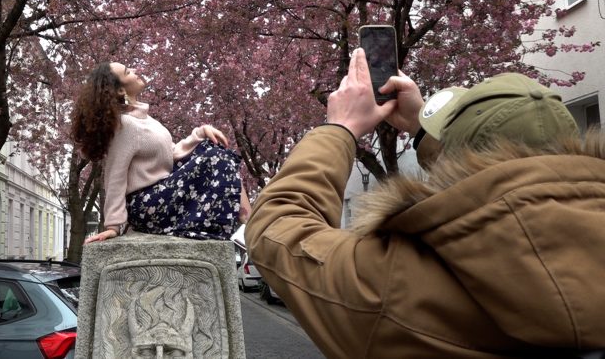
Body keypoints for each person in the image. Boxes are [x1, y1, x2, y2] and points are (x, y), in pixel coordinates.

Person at [245, 48, 605, 358]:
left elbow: (278, 225)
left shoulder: (391, 282)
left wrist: (340, 129)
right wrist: (422, 131)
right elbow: (501, 185)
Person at [72, 62, 252, 244]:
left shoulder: (145, 120)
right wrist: (113, 225)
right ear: (120, 91)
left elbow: (171, 154)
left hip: (163, 193)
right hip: (148, 205)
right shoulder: (124, 125)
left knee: (210, 149)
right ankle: (252, 228)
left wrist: (200, 133)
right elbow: (115, 176)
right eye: (128, 72)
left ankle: (250, 225)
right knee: (215, 157)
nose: (135, 71)